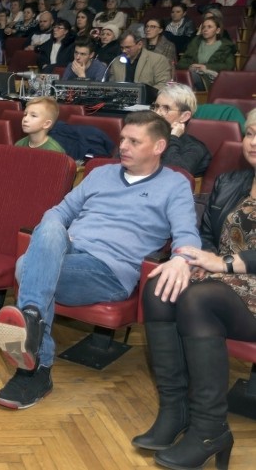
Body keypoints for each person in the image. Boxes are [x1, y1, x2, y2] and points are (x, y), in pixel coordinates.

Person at [0, 111, 200, 410]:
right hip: (71, 252)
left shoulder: (174, 185)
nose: (123, 146)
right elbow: (60, 212)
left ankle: (32, 363)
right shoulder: (101, 173)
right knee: (50, 224)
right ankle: (34, 327)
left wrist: (182, 259)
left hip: (109, 271)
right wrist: (59, 235)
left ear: (158, 147)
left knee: (26, 267)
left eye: (134, 141)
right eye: (123, 139)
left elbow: (187, 234)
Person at [134, 109, 256, 469]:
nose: (253, 142)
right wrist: (184, 260)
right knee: (161, 286)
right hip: (227, 282)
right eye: (250, 133)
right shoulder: (231, 181)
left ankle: (209, 428)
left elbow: (223, 260)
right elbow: (205, 237)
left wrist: (229, 264)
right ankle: (176, 411)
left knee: (197, 298)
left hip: (236, 283)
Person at [150, 82, 211, 177]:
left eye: (166, 108)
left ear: (184, 116)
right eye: (156, 107)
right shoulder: (147, 137)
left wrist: (173, 137)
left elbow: (175, 175)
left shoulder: (194, 147)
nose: (157, 113)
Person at [176, 16, 236, 91]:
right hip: (193, 73)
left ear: (217, 30)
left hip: (212, 78)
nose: (205, 29)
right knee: (178, 76)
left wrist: (206, 67)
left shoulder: (225, 46)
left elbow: (228, 66)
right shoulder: (196, 42)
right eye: (203, 27)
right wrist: (191, 66)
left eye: (209, 27)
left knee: (189, 78)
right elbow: (181, 63)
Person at [108, 31, 173, 88]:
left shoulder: (158, 60)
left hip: (148, 100)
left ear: (139, 44)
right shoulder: (116, 61)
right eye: (122, 48)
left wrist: (142, 93)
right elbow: (111, 84)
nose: (124, 51)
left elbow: (163, 84)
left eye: (128, 47)